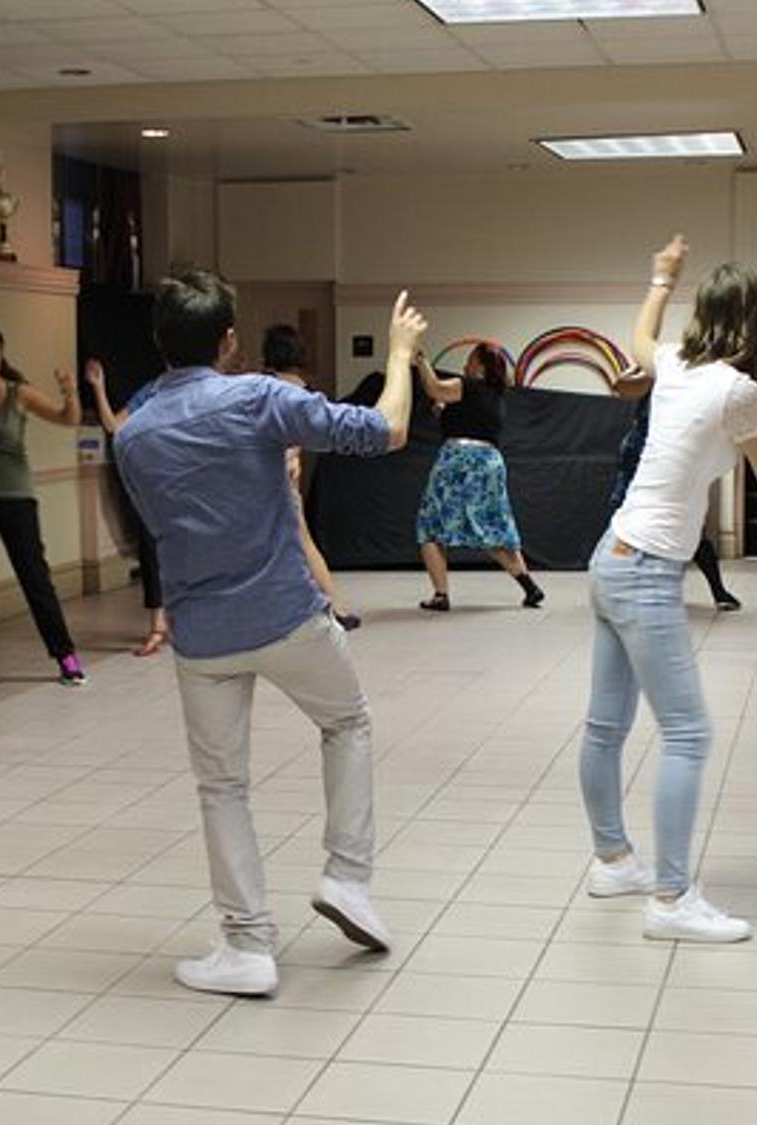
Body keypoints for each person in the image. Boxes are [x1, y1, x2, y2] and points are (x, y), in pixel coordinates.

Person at [113, 271, 416, 997]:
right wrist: (401, 352)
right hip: (287, 616)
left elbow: (152, 530)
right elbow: (387, 430)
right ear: (229, 342)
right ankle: (346, 877)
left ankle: (247, 943)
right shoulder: (259, 398)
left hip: (203, 636)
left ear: (159, 343)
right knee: (347, 722)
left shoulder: (135, 434)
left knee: (222, 786)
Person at [582, 236, 757, 943]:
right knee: (689, 733)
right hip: (645, 570)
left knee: (605, 727)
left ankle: (613, 859)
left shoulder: (674, 364)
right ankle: (670, 898)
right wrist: (756, 424)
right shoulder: (740, 389)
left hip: (610, 554)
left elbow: (640, 336)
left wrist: (660, 274)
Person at [0, 328, 87, 687]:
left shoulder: (18, 393)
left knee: (34, 577)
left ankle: (65, 655)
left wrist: (70, 389)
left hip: (16, 497)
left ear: (2, 356)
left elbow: (67, 418)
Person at [412, 344, 546, 611]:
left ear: (481, 366)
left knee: (431, 525)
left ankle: (441, 595)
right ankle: (529, 586)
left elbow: (434, 387)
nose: (466, 364)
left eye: (471, 359)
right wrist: (446, 412)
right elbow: (466, 416)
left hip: (458, 460)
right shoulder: (496, 396)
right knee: (494, 527)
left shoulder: (465, 385)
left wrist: (421, 359)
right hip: (490, 462)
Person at [605, 378, 742, 613]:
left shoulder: (685, 392)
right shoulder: (661, 380)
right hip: (642, 464)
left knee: (691, 535)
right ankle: (619, 590)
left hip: (661, 471)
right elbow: (620, 387)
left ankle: (718, 591)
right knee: (625, 533)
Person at [263, 324, 360, 631]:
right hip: (283, 476)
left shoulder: (262, 387)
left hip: (260, 478)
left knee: (292, 543)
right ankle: (333, 607)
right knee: (300, 543)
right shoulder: (303, 392)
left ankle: (332, 607)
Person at [89, 362, 170, 657]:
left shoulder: (205, 389)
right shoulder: (152, 391)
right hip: (153, 485)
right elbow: (114, 426)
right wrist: (98, 386)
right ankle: (158, 625)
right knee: (151, 551)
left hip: (192, 483)